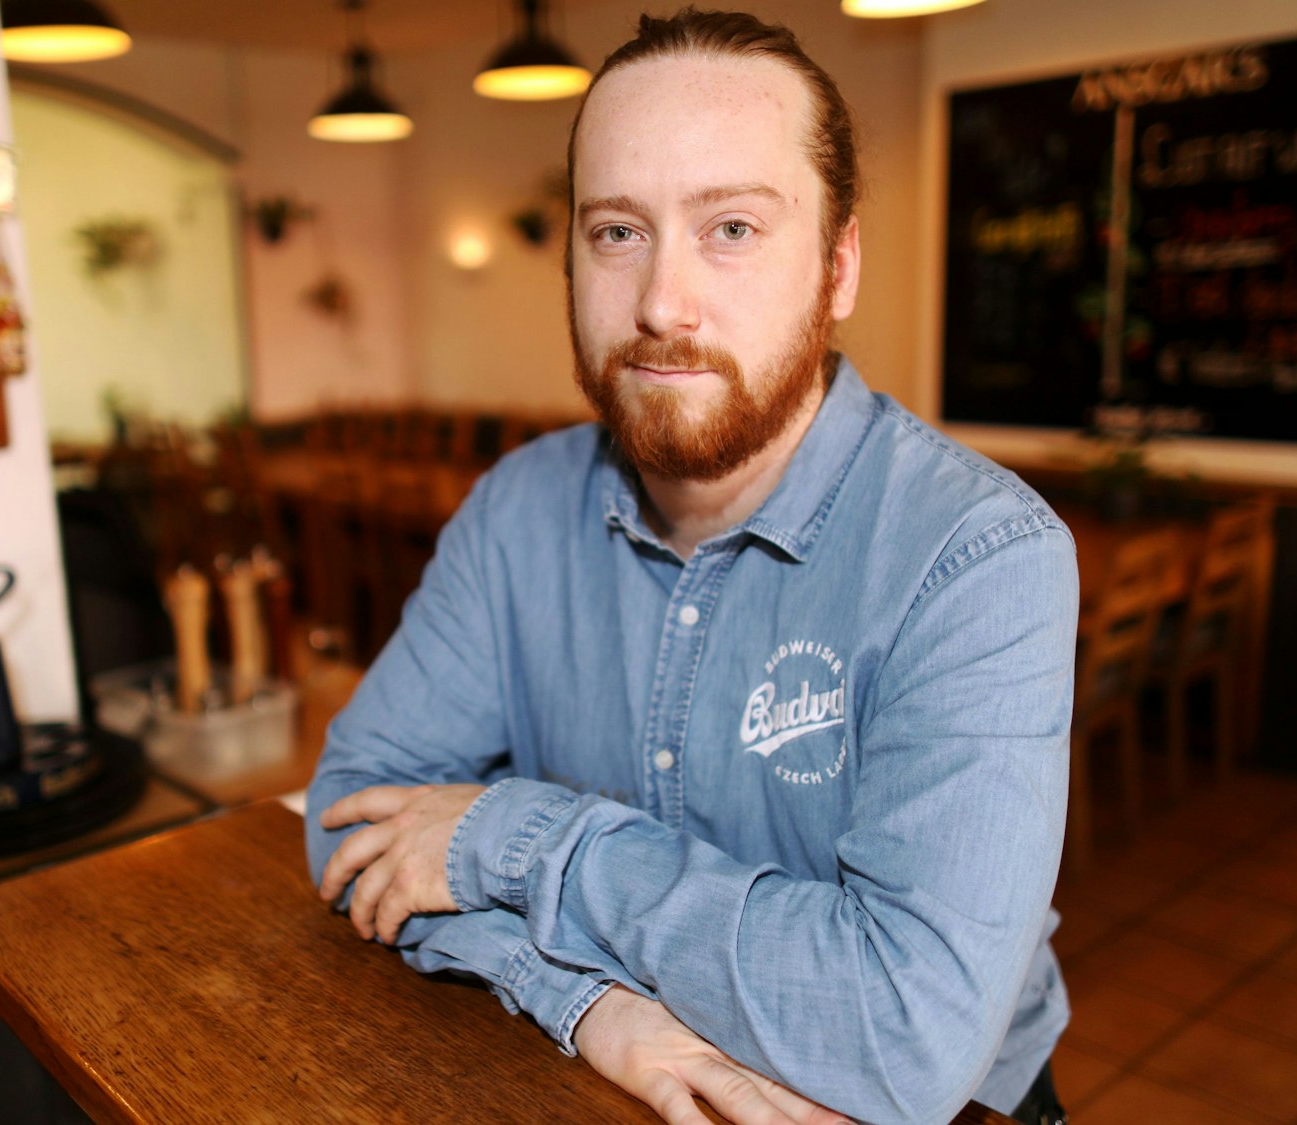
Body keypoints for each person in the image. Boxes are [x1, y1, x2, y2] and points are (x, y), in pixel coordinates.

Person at [306, 10, 1076, 1125]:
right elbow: (343, 814)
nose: (662, 303)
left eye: (730, 228)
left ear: (839, 263)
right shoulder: (516, 508)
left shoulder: (978, 557)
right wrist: (579, 1000)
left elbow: (905, 1038)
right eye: (616, 232)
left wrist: (507, 840)